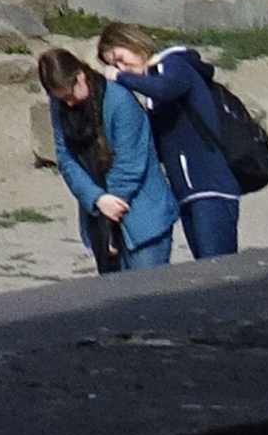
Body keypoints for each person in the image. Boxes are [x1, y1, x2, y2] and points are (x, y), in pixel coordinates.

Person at [101, 26, 245, 262]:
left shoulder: (173, 63)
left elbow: (166, 89)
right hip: (187, 193)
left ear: (133, 43)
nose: (121, 67)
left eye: (120, 58)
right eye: (114, 65)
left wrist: (120, 78)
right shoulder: (152, 85)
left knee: (218, 269)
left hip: (210, 188)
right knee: (206, 269)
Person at [37, 42, 177, 275]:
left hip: (142, 219)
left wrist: (111, 207)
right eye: (61, 98)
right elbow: (66, 158)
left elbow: (130, 163)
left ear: (80, 76)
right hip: (99, 216)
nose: (69, 103)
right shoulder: (59, 105)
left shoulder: (120, 101)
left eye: (70, 95)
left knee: (148, 291)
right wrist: (96, 199)